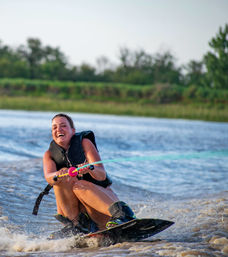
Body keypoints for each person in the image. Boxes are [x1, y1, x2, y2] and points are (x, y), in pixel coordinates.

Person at [43, 113, 136, 238]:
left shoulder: (84, 143)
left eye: (63, 126)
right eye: (54, 127)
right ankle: (76, 226)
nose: (58, 129)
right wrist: (59, 173)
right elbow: (49, 176)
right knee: (59, 181)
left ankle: (123, 215)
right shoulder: (49, 155)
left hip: (101, 211)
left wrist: (90, 168)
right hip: (80, 216)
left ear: (73, 131)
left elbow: (101, 175)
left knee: (78, 185)